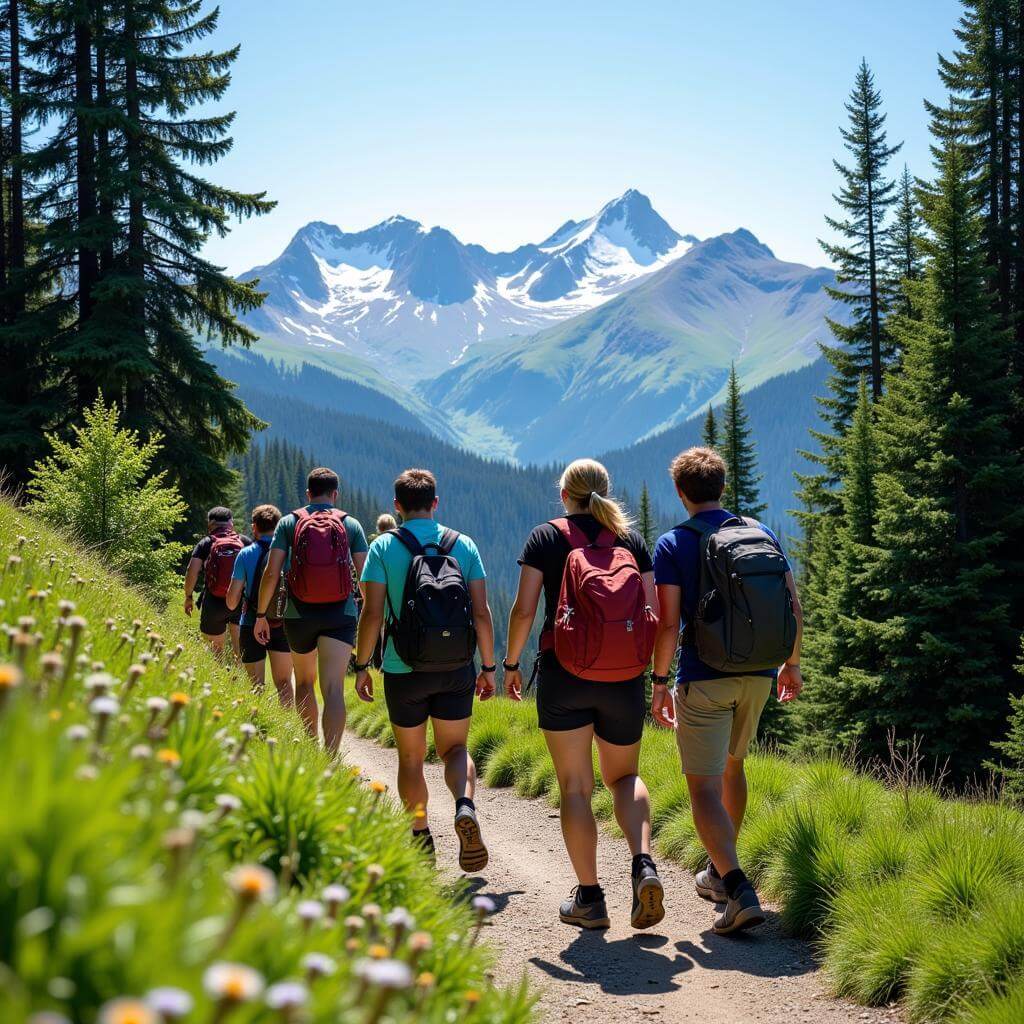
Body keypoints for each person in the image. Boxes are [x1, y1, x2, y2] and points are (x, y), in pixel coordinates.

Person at [503, 458, 665, 931]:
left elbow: (523, 610)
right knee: (625, 777)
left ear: (563, 494)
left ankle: (590, 899)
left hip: (564, 674)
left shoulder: (546, 537)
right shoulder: (630, 540)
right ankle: (644, 865)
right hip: (623, 680)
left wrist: (510, 664)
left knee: (575, 785)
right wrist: (650, 675)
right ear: (605, 492)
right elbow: (652, 613)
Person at [651, 446, 803, 935]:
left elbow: (669, 621)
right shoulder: (759, 533)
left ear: (680, 492)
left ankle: (737, 887)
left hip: (705, 676)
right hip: (759, 672)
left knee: (701, 786)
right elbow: (792, 606)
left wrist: (657, 681)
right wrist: (792, 665)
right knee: (735, 768)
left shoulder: (673, 544)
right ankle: (718, 874)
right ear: (722, 486)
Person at [354, 469, 496, 870]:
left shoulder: (383, 547)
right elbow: (481, 613)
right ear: (436, 503)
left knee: (412, 758)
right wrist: (487, 667)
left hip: (403, 668)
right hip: (456, 667)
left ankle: (420, 838)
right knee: (455, 749)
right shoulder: (462, 544)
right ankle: (464, 805)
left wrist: (363, 665)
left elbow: (372, 614)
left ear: (397, 506)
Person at [254, 468, 368, 752]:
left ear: (308, 493)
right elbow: (364, 575)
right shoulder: (350, 524)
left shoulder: (289, 523)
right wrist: (373, 616)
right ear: (335, 494)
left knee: (304, 681)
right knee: (333, 689)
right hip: (340, 615)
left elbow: (271, 572)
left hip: (298, 613)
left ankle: (309, 748)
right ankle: (330, 758)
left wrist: (260, 614)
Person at [226, 504, 294, 708]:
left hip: (250, 622)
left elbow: (231, 602)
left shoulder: (245, 554)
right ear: (279, 526)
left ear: (254, 526)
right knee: (284, 683)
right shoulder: (287, 554)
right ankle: (288, 732)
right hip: (282, 623)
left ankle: (257, 730)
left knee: (255, 685)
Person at [183, 506, 251, 658]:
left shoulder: (206, 543)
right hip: (240, 600)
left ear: (210, 524)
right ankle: (240, 680)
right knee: (242, 654)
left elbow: (192, 571)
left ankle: (217, 679)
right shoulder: (244, 541)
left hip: (214, 602)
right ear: (231, 523)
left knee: (215, 654)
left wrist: (188, 597)